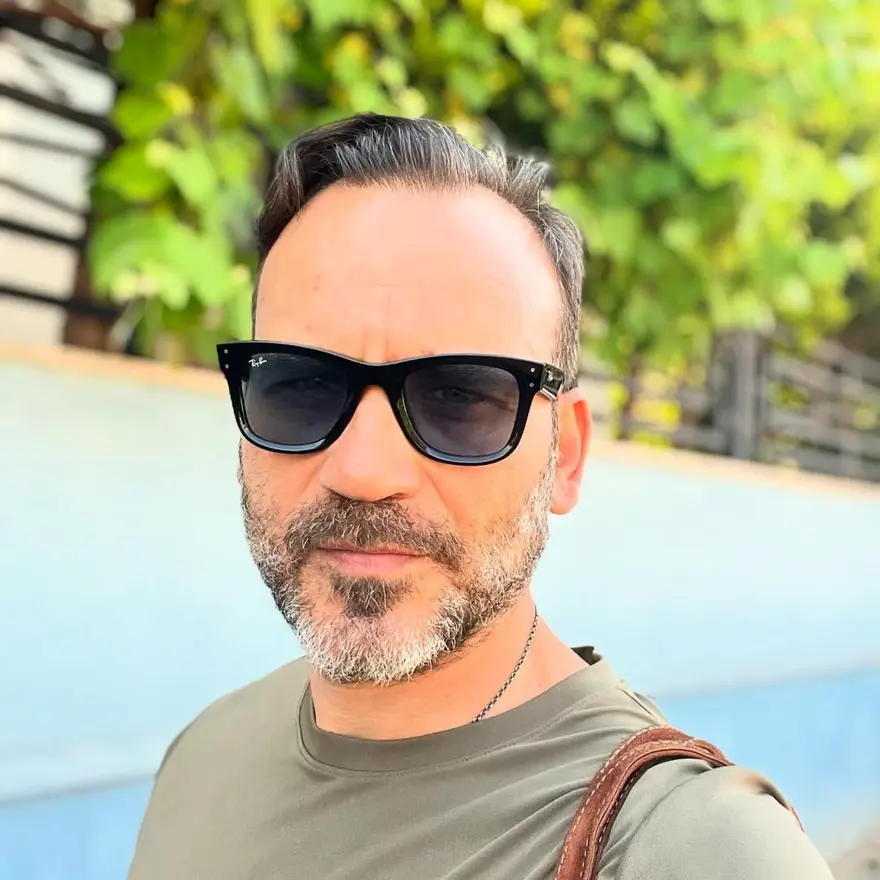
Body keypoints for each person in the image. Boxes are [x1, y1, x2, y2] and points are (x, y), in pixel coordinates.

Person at [127, 113, 833, 880]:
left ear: (565, 457)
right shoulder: (202, 756)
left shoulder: (691, 849)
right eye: (300, 386)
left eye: (459, 398)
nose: (363, 470)